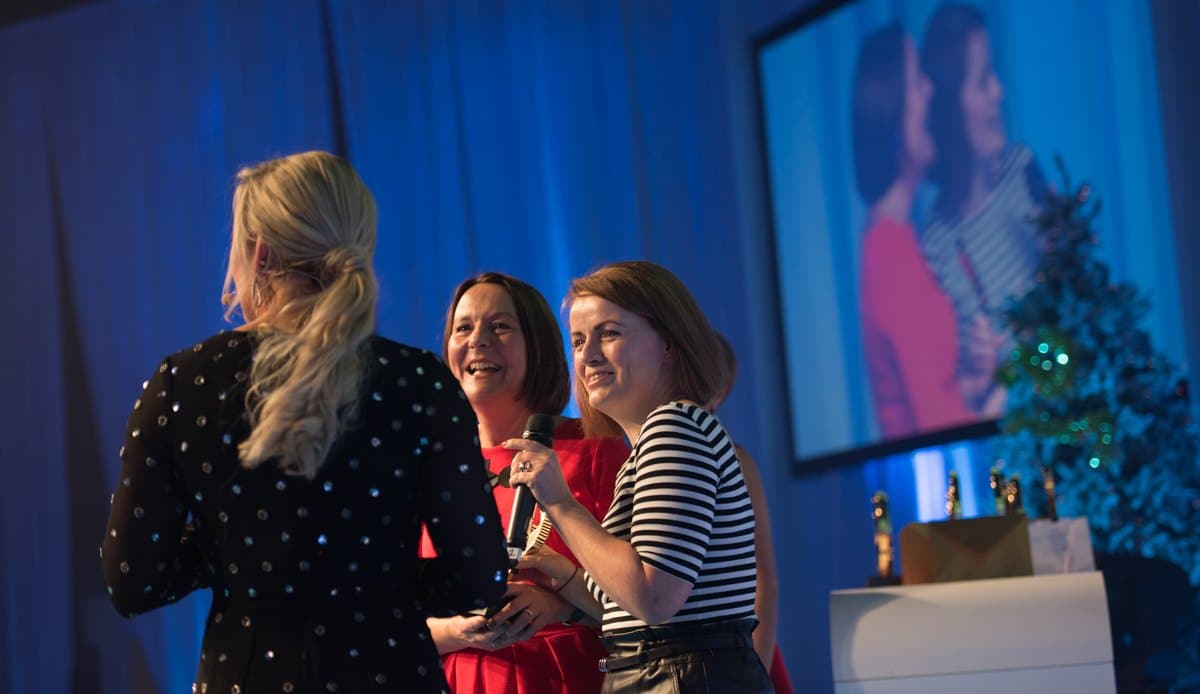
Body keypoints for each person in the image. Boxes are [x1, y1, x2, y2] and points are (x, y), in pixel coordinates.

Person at [100, 151, 508, 694]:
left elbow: (132, 582)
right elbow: (479, 578)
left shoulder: (183, 384)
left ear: (260, 254)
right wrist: (372, 573)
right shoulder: (419, 382)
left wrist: (236, 552)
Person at [508, 260, 772, 692]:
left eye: (609, 333)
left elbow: (653, 597)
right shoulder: (659, 441)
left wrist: (560, 503)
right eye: (578, 340)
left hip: (680, 677)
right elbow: (631, 605)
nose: (589, 355)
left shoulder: (675, 428)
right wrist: (562, 576)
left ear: (668, 343)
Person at [422, 272, 629, 693]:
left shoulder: (595, 449)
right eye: (464, 328)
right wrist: (457, 629)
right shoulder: (427, 467)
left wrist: (559, 605)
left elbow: (649, 603)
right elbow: (388, 621)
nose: (478, 341)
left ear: (538, 346)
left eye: (499, 326)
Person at [852, 21, 980, 438]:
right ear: (888, 109)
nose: (929, 89)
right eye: (916, 81)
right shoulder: (890, 252)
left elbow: (941, 395)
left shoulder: (899, 240)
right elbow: (935, 424)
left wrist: (980, 383)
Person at [920, 3, 1045, 416]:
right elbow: (967, 398)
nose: (999, 92)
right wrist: (983, 375)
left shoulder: (1023, 168)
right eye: (983, 80)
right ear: (951, 107)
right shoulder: (936, 243)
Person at [708, 333, 793, 694]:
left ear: (721, 390)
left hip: (739, 657)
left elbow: (764, 580)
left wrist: (755, 666)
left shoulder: (736, 462)